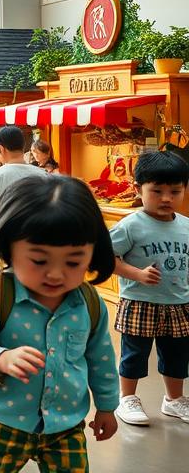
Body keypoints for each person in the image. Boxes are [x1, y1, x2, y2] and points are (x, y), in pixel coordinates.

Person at [0, 176, 119, 473]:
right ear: (8, 249)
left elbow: (101, 358)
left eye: (73, 262)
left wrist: (107, 406)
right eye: (39, 261)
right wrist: (0, 357)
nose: (56, 274)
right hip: (0, 420)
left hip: (65, 425)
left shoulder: (89, 303)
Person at [110, 150, 189, 426]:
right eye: (157, 191)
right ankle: (127, 398)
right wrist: (137, 274)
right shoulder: (131, 225)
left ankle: (174, 399)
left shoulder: (187, 226)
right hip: (140, 302)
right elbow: (107, 258)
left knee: (178, 354)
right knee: (135, 354)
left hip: (178, 303)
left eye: (175, 191)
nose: (166, 198)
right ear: (138, 189)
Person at [0, 125, 47, 228]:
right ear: (22, 146)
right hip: (37, 237)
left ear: (0, 148)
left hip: (2, 238)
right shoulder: (44, 175)